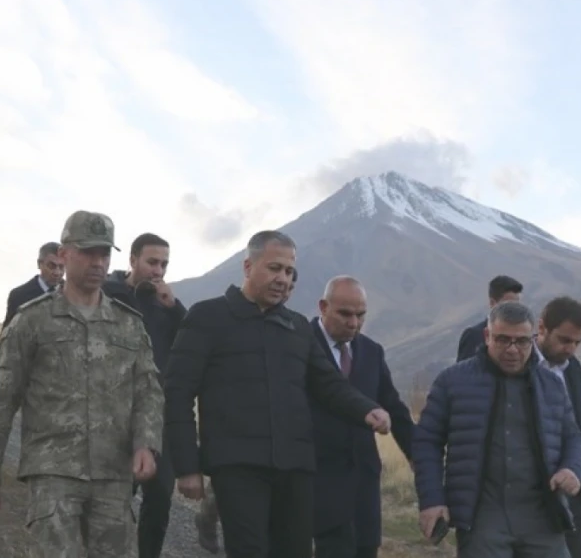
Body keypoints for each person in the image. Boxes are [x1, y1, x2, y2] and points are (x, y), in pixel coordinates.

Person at [163, 230, 391, 558]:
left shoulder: (297, 327)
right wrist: (186, 466)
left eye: (288, 271)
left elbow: (328, 384)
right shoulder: (208, 318)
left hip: (295, 469)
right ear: (247, 266)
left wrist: (366, 410)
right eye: (274, 268)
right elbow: (177, 392)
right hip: (237, 467)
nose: (282, 278)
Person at [0, 210, 163, 558]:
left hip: (113, 474)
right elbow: (2, 400)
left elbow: (148, 391)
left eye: (104, 254)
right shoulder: (32, 320)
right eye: (87, 251)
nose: (97, 262)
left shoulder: (128, 325)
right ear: (64, 254)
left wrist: (146, 444)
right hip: (53, 472)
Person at [414, 301, 581, 558]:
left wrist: (573, 468)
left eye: (521, 341)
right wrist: (431, 500)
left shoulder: (551, 385)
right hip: (482, 518)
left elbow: (573, 438)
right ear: (487, 336)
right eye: (502, 340)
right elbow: (426, 441)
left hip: (542, 518)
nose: (512, 350)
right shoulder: (453, 382)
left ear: (533, 338)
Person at [309, 276, 414, 558]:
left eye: (361, 315)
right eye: (345, 313)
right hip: (317, 479)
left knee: (365, 549)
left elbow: (393, 406)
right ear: (323, 306)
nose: (353, 323)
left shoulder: (371, 351)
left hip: (363, 481)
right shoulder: (300, 344)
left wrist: (418, 456)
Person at [195, 268, 297, 554]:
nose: (283, 286)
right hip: (234, 435)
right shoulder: (225, 321)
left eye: (289, 282)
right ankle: (207, 517)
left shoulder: (292, 329)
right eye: (277, 272)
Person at [103, 232, 186, 558]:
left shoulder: (166, 305)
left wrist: (175, 307)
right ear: (133, 259)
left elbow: (188, 344)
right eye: (152, 262)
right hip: (114, 413)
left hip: (158, 415)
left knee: (162, 494)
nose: (158, 270)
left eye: (164, 263)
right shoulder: (108, 294)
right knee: (115, 495)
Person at [535, 297, 581, 558]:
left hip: (574, 489)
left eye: (577, 342)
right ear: (542, 328)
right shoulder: (517, 366)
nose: (571, 349)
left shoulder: (577, 374)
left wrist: (576, 470)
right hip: (527, 492)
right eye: (564, 340)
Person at [456, 275, 523, 362]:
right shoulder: (474, 336)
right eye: (508, 305)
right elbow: (462, 372)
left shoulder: (521, 336)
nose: (513, 310)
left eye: (517, 305)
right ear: (492, 303)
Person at [1, 241, 65, 327]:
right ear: (39, 264)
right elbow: (8, 336)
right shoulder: (19, 296)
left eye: (61, 267)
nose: (57, 272)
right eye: (51, 266)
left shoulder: (74, 294)